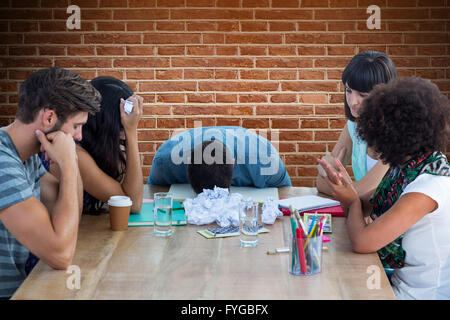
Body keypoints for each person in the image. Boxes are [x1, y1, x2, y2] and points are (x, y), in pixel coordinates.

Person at [318, 77, 450, 300]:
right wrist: (346, 192)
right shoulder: (407, 168)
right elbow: (364, 206)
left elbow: (362, 241)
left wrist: (350, 200)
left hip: (419, 295)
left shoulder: (428, 187)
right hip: (396, 283)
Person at [0, 67, 101, 299]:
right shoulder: (3, 163)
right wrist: (68, 163)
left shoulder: (25, 158)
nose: (80, 136)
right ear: (49, 118)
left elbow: (69, 217)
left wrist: (70, 161)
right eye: (76, 126)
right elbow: (61, 254)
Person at [316, 51, 397, 197]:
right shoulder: (353, 127)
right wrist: (347, 188)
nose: (353, 102)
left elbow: (359, 193)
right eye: (349, 91)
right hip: (372, 215)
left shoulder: (400, 134)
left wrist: (342, 185)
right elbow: (320, 183)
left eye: (363, 95)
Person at [148, 126, 291, 193]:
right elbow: (153, 195)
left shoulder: (265, 159)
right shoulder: (165, 161)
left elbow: (285, 194)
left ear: (233, 164)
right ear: (186, 163)